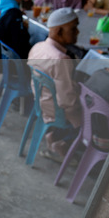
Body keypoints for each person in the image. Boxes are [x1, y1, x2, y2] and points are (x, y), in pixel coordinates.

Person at [28, 8, 81, 163]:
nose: (77, 32)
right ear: (58, 31)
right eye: (73, 29)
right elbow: (67, 101)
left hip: (40, 103)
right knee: (95, 114)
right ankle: (62, 142)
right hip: (56, 111)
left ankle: (55, 135)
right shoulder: (61, 59)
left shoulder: (37, 47)